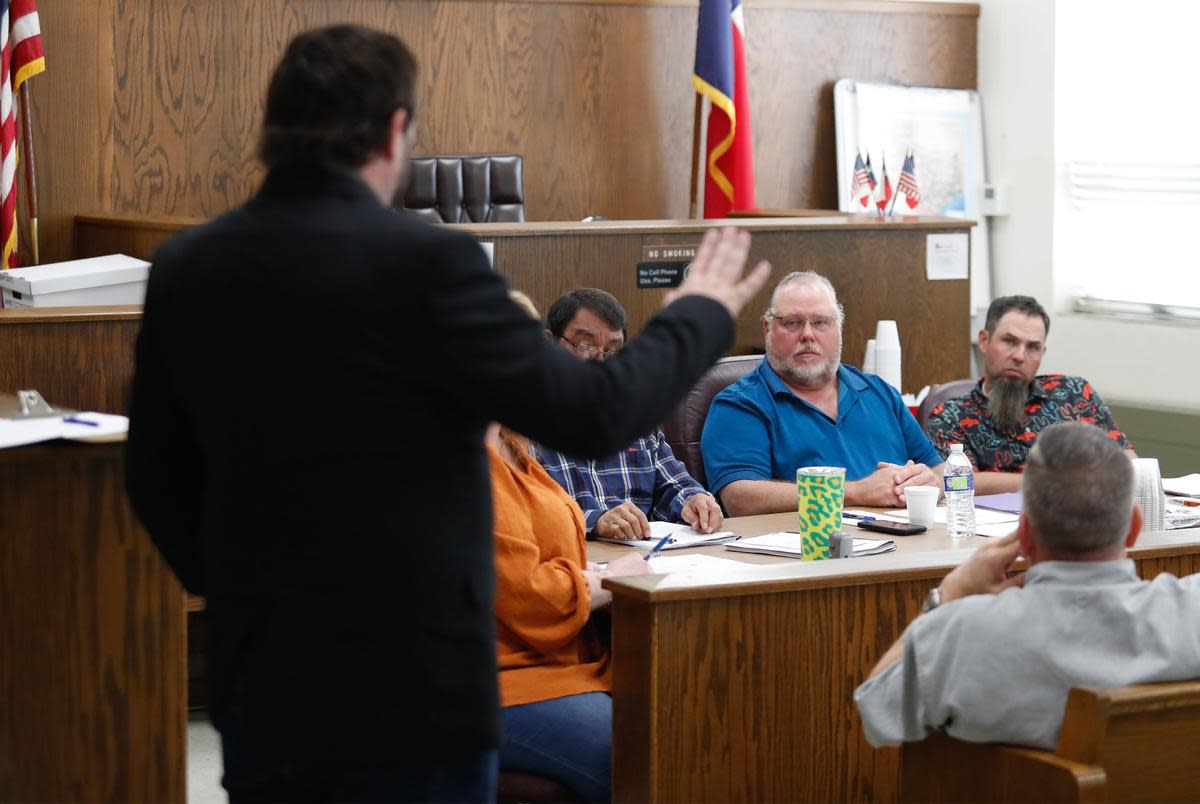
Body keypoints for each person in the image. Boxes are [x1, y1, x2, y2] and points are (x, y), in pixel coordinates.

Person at [124, 25, 770, 802]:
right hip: (417, 695)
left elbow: (154, 474)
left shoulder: (189, 269)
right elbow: (595, 415)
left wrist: (232, 581)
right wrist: (696, 313)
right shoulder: (429, 264)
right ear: (395, 130)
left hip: (266, 681)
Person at [854, 422, 1200, 750]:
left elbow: (876, 714)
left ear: (1024, 534)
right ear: (1134, 528)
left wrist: (949, 594)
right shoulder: (1190, 613)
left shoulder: (963, 633)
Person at [701, 271, 942, 516]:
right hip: (807, 549)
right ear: (768, 330)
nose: (807, 334)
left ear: (838, 328)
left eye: (820, 322)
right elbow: (740, 499)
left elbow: (937, 468)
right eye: (792, 322)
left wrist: (930, 483)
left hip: (905, 545)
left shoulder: (879, 393)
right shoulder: (740, 404)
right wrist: (856, 492)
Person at [537, 288, 724, 539]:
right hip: (563, 564)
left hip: (638, 563)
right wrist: (595, 520)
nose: (599, 361)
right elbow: (524, 515)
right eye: (585, 346)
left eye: (612, 350)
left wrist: (694, 501)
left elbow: (673, 484)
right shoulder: (520, 425)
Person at [927, 295, 1133, 493]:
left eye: (1033, 347)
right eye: (1009, 341)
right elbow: (956, 481)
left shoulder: (1074, 393)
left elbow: (1126, 459)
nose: (1019, 356)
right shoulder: (950, 415)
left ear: (1042, 353)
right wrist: (1053, 480)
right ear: (984, 340)